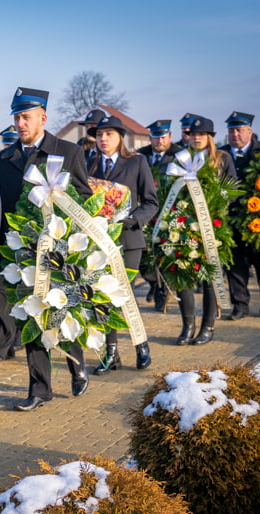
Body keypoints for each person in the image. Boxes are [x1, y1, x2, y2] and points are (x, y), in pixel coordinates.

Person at [0, 87, 93, 411]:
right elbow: (0, 208)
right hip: (21, 251)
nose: (20, 123)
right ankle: (39, 388)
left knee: (63, 311)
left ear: (43, 118)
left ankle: (77, 366)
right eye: (17, 117)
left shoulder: (66, 151)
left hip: (61, 249)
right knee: (31, 315)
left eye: (26, 117)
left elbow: (84, 197)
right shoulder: (5, 160)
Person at [86, 116, 158, 375]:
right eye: (99, 134)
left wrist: (131, 220)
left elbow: (151, 202)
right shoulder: (89, 164)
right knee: (103, 298)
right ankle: (111, 354)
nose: (103, 139)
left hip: (128, 240)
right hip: (99, 242)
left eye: (109, 134)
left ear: (120, 137)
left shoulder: (136, 162)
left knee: (124, 295)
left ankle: (141, 346)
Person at [171, 116, 237, 345]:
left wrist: (219, 203)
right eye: (193, 134)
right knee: (184, 276)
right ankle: (187, 326)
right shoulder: (180, 158)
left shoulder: (221, 158)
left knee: (210, 277)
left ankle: (208, 327)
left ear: (209, 137)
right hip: (185, 225)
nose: (196, 138)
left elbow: (232, 189)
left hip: (212, 226)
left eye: (201, 134)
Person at [219, 112, 260, 319]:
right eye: (231, 130)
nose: (235, 134)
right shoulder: (220, 154)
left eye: (239, 130)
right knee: (234, 263)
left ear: (249, 131)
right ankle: (240, 305)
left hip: (258, 218)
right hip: (230, 218)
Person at [137, 119, 181, 311]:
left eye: (163, 137)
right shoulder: (142, 155)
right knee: (144, 260)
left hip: (169, 212)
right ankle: (155, 284)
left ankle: (162, 293)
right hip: (146, 211)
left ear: (170, 137)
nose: (159, 141)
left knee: (163, 256)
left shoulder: (179, 155)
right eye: (156, 137)